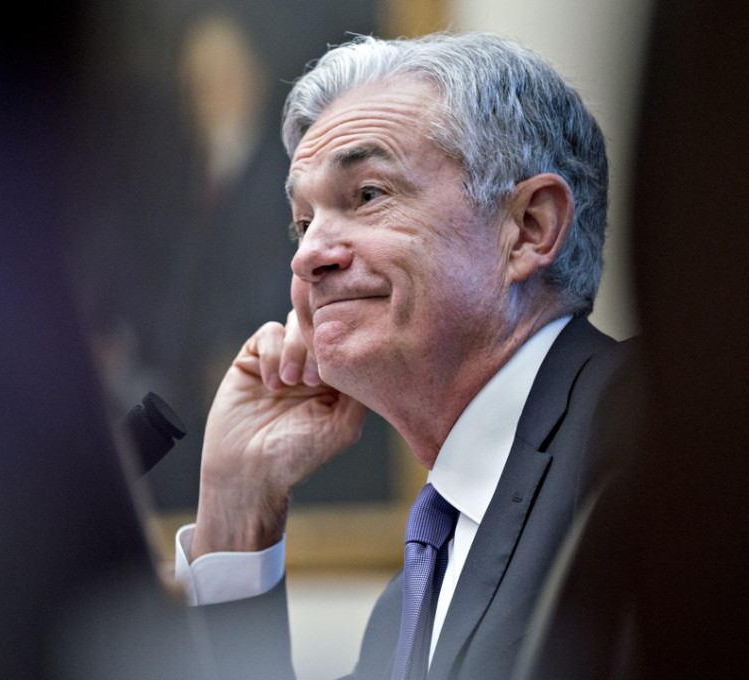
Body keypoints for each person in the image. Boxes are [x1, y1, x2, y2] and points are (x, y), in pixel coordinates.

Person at [172, 32, 636, 680]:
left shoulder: (660, 430)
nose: (308, 255)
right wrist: (236, 509)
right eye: (302, 223)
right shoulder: (403, 609)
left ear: (528, 228)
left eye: (366, 195)